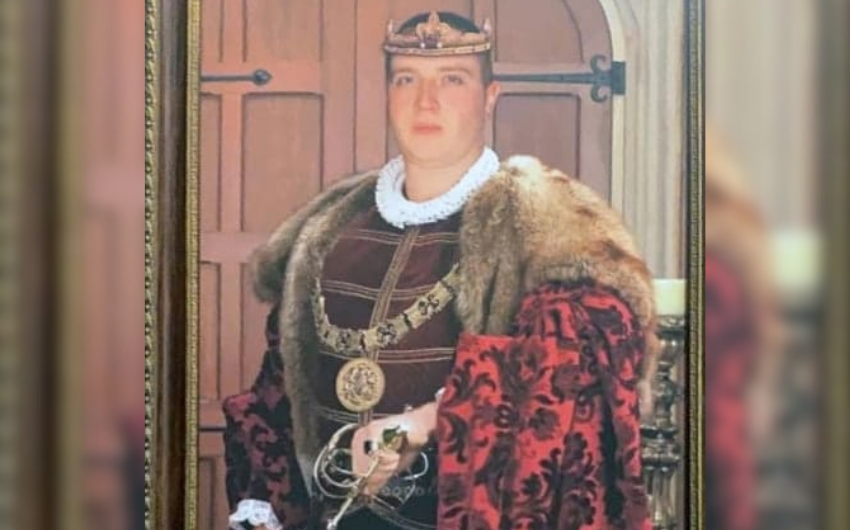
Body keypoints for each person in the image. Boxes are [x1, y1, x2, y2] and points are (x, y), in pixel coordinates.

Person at [223, 11, 657, 530]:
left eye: (452, 80)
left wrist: (429, 421)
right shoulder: (330, 228)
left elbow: (575, 366)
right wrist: (265, 508)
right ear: (387, 93)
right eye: (407, 79)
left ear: (490, 97)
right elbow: (278, 390)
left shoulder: (547, 225)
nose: (425, 101)